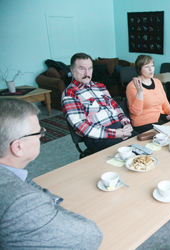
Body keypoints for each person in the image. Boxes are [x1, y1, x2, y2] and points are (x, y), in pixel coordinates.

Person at [0, 98, 103, 248]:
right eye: (38, 132)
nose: (41, 136)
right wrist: (47, 207)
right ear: (18, 147)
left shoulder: (11, 172)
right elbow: (91, 236)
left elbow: (24, 181)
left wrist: (46, 203)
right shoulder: (22, 203)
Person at [62, 52, 137, 154]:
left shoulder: (100, 86)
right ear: (72, 70)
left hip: (120, 128)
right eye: (82, 69)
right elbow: (82, 127)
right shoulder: (70, 94)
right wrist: (115, 133)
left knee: (145, 145)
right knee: (131, 156)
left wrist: (126, 123)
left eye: (90, 68)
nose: (87, 73)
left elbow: (116, 107)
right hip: (98, 137)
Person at [126, 55, 170, 134]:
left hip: (160, 116)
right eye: (146, 67)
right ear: (139, 69)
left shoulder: (157, 82)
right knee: (168, 134)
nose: (151, 69)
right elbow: (135, 112)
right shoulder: (132, 86)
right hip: (144, 122)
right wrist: (140, 92)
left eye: (152, 65)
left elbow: (165, 102)